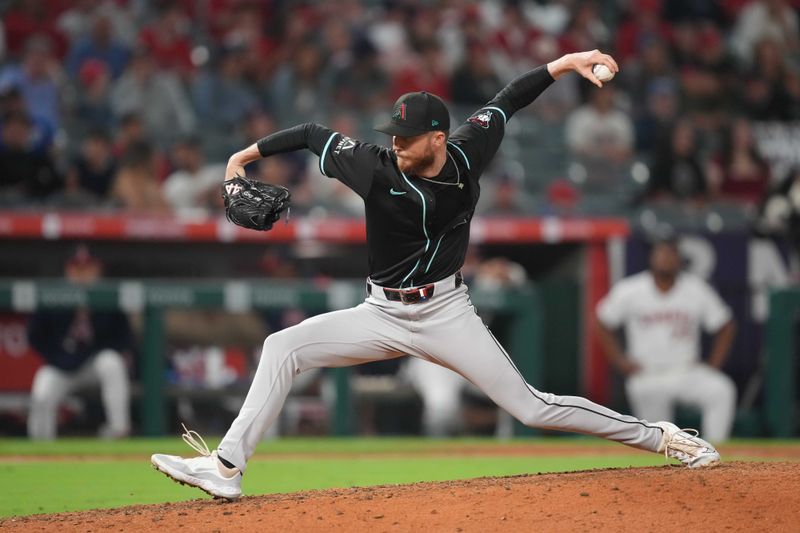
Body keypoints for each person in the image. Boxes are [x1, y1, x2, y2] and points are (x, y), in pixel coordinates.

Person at [152, 49, 721, 501]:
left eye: (405, 136)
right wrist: (241, 159)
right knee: (282, 347)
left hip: (446, 311)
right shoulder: (373, 167)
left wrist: (565, 64)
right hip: (380, 312)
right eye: (391, 133)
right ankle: (227, 466)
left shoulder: (469, 151)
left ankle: (665, 439)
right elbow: (307, 132)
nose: (394, 143)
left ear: (438, 138)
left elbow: (509, 100)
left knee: (532, 407)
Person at [595, 236, 737, 443]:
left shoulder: (695, 288)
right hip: (648, 373)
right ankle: (666, 469)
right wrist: (619, 360)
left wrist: (713, 364)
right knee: (661, 439)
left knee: (721, 390)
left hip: (686, 371)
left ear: (679, 259)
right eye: (661, 253)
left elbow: (725, 325)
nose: (665, 259)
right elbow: (602, 321)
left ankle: (715, 448)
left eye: (671, 254)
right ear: (651, 258)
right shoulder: (631, 289)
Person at [27, 246, 133, 440]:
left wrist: (95, 350)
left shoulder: (109, 295)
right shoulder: (53, 295)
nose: (83, 274)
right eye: (78, 268)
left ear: (97, 269)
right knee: (42, 391)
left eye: (87, 268)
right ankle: (40, 445)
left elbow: (124, 337)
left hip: (93, 363)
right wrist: (57, 357)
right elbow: (35, 336)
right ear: (68, 270)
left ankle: (118, 430)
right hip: (61, 366)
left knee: (111, 362)